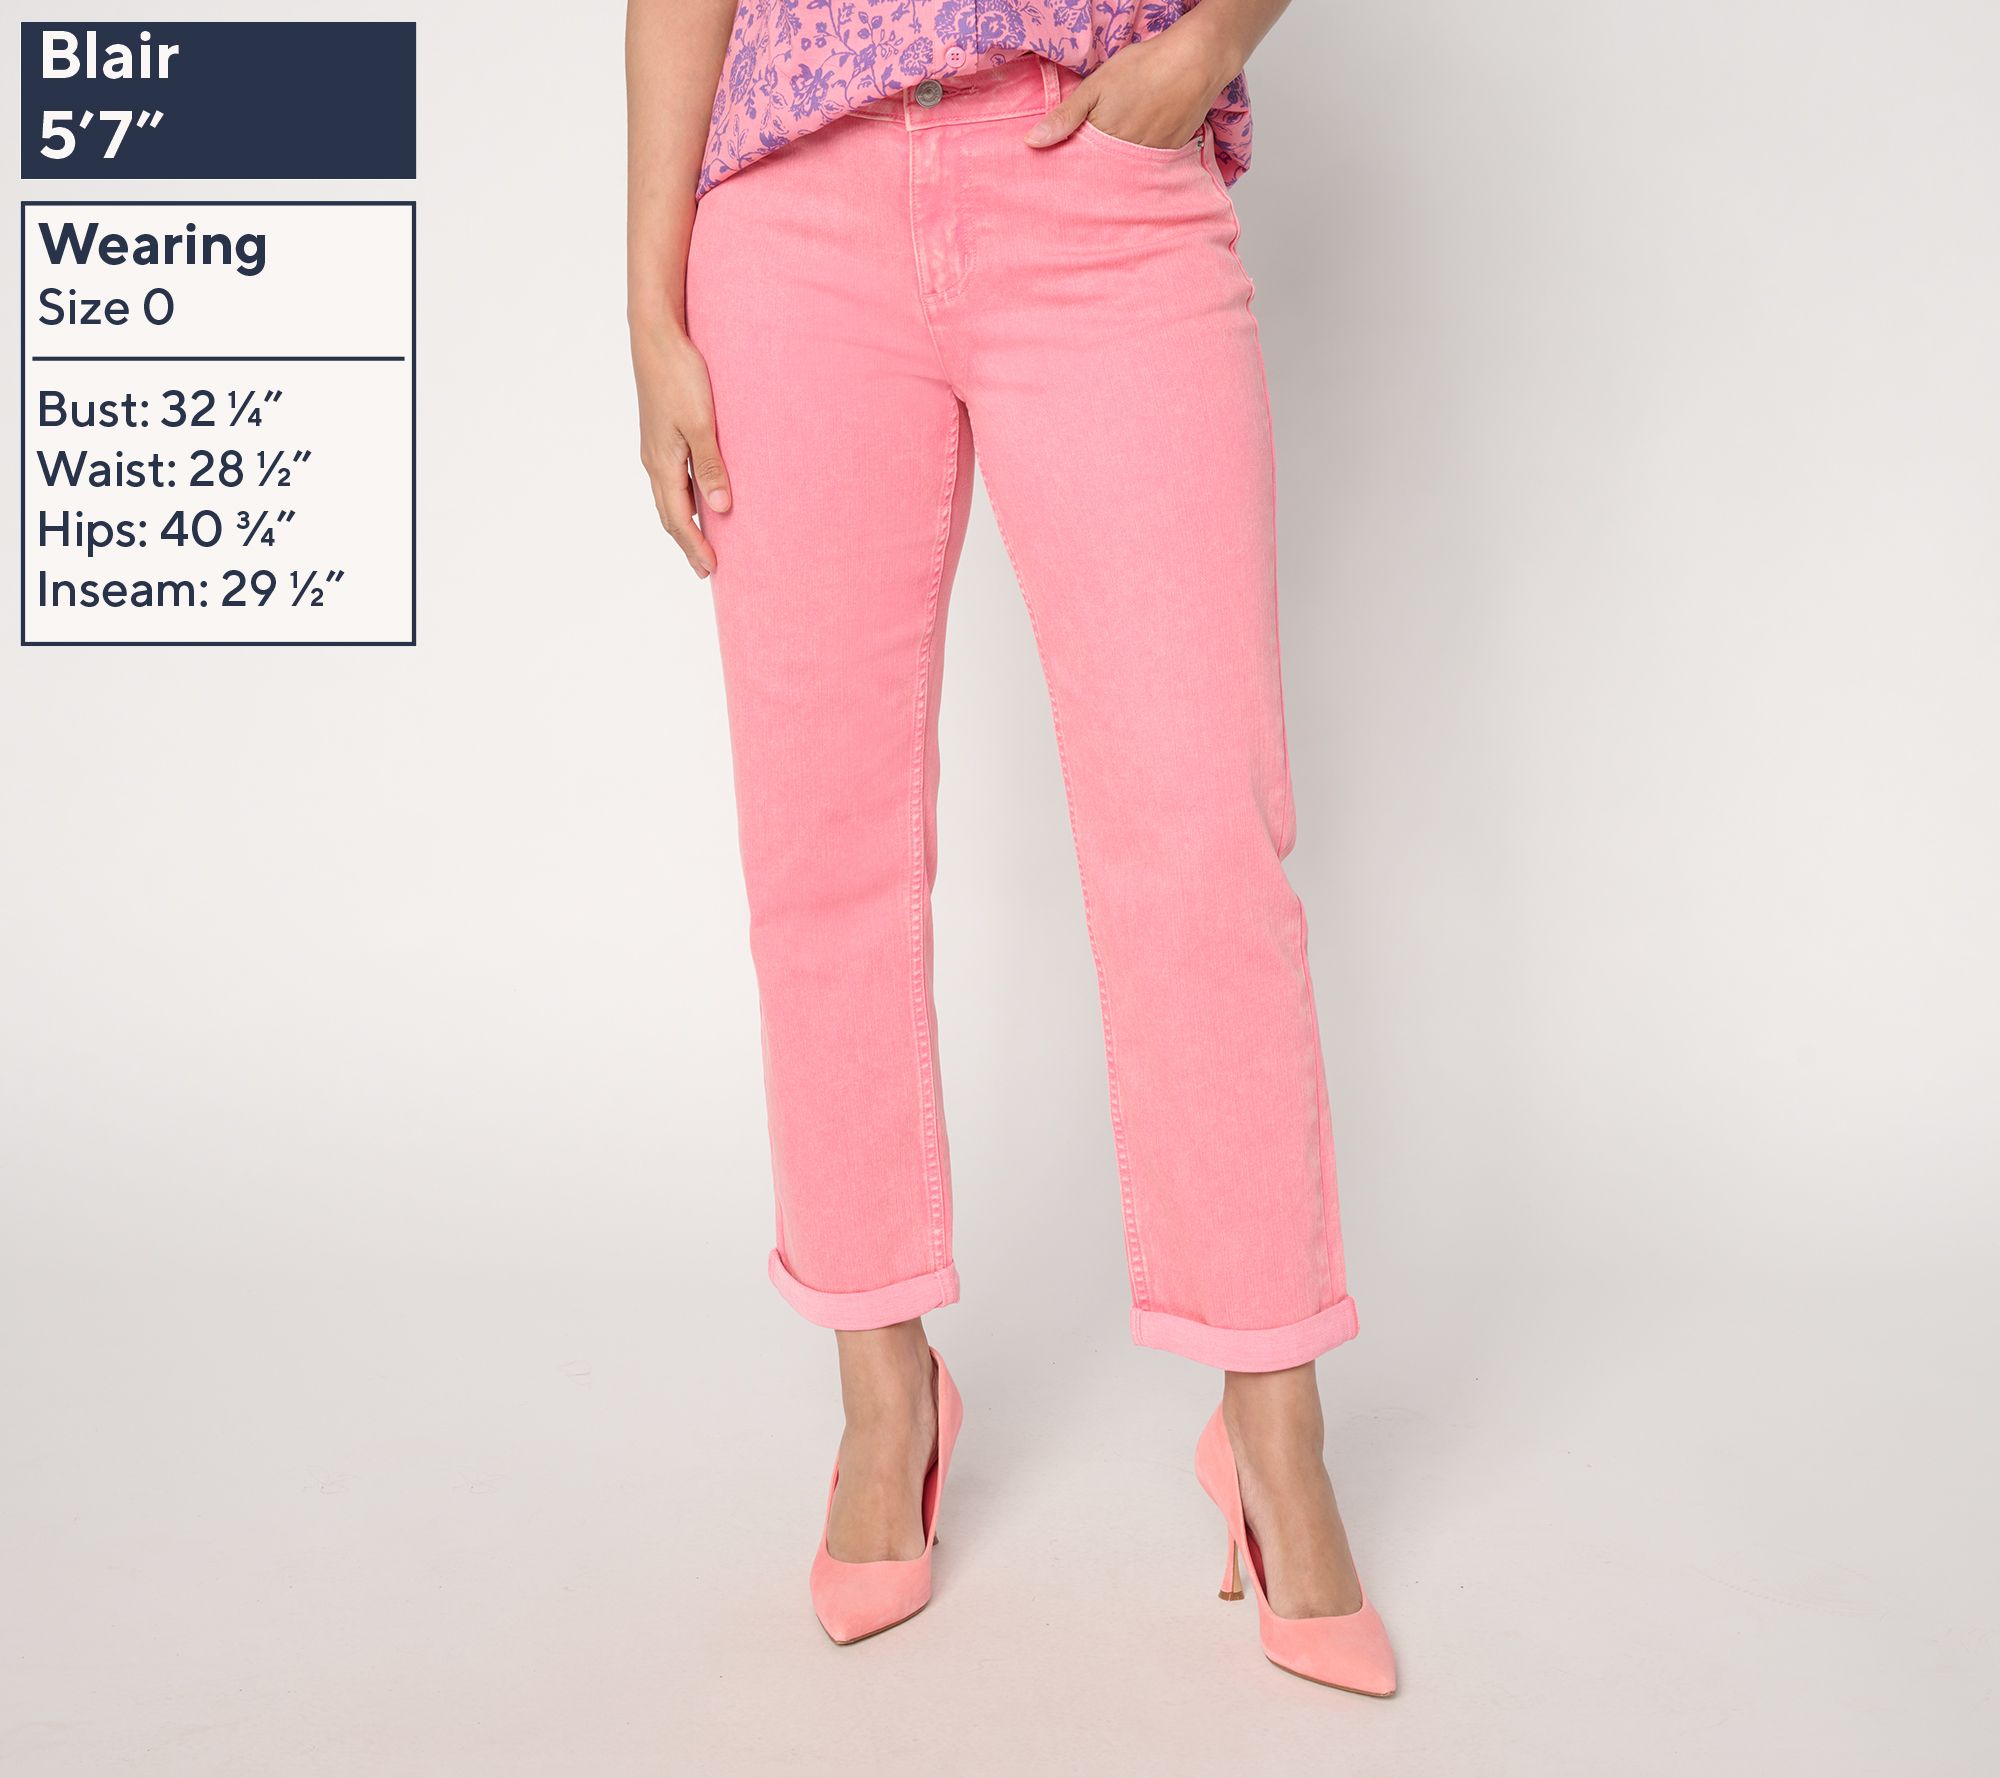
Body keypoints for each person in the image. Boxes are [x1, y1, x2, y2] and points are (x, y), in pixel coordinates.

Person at [626, 0, 1396, 1694]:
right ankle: (883, 1390)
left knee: (1200, 834)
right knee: (820, 845)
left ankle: (1275, 1424)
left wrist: (1206, 49)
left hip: (1094, 179)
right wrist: (651, 299)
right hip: (791, 207)